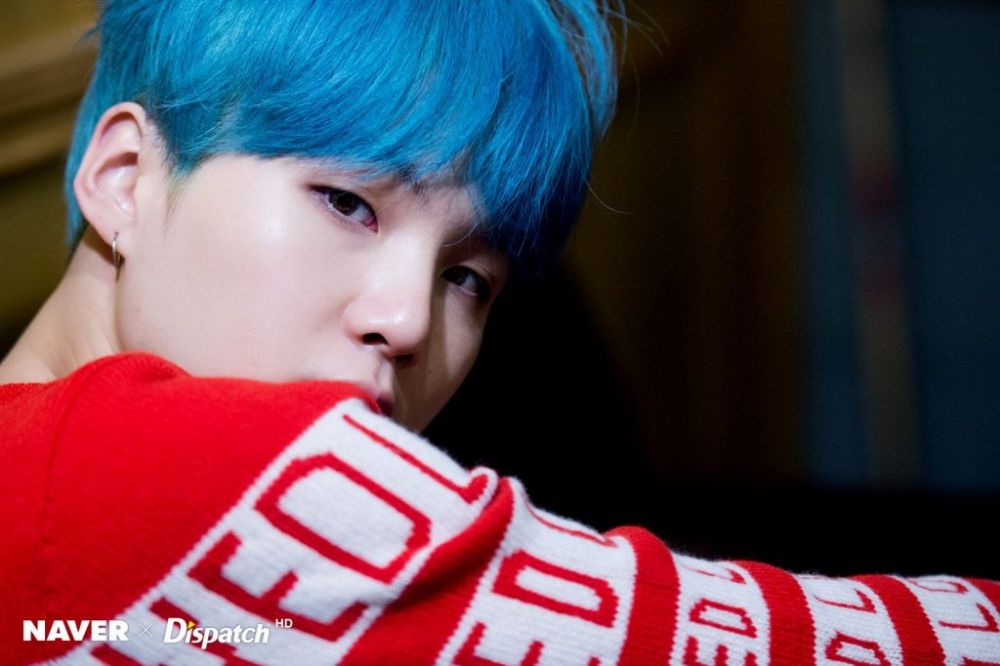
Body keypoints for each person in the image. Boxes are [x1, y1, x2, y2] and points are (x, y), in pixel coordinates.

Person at [1, 0, 997, 664]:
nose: (405, 322)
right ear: (125, 178)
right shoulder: (159, 473)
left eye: (467, 278)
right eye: (347, 202)